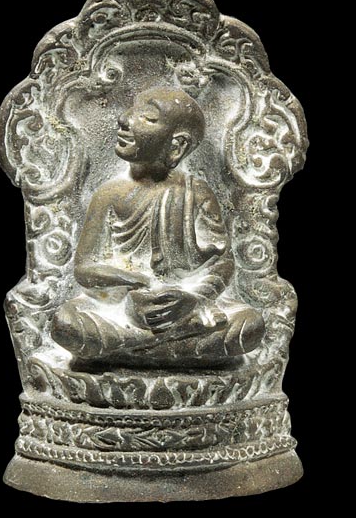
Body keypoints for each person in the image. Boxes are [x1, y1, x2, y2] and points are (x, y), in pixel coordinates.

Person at [50, 87, 264, 365]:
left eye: (148, 118)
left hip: (185, 309)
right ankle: (163, 346)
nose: (125, 119)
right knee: (66, 323)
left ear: (177, 146)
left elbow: (221, 263)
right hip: (124, 309)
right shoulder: (109, 194)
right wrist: (134, 283)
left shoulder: (196, 192)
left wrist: (194, 298)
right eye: (131, 109)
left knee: (250, 324)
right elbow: (84, 269)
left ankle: (133, 349)